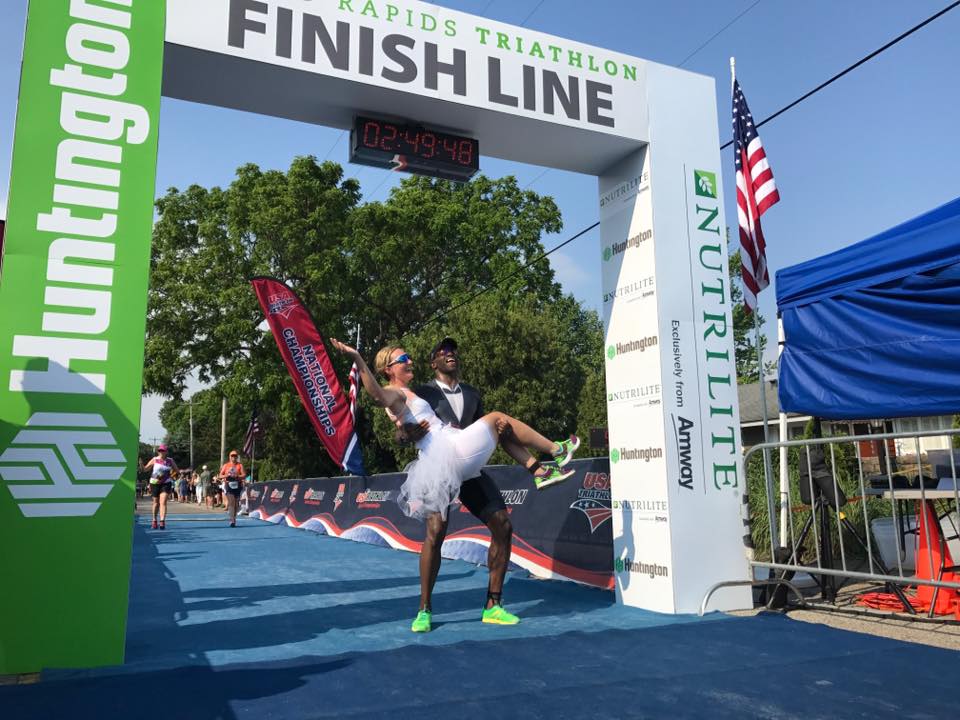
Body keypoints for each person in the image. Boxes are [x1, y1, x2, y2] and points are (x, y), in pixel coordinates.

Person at [329, 338, 580, 633]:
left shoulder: (468, 393)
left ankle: (493, 605)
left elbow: (475, 425)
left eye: (453, 352)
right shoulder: (411, 391)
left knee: (502, 523)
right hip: (442, 460)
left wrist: (498, 429)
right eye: (404, 358)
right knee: (435, 532)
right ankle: (424, 610)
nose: (411, 361)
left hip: (462, 456)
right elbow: (384, 404)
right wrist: (358, 359)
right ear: (389, 369)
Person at [143, 444, 178, 529]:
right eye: (160, 450)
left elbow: (177, 471)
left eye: (163, 450)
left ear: (166, 452)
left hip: (166, 483)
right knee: (156, 503)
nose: (161, 452)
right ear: (158, 452)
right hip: (154, 483)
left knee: (163, 502)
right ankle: (154, 520)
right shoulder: (155, 459)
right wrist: (141, 466)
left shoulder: (170, 460)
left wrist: (170, 475)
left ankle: (162, 521)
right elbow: (145, 469)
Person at [219, 451, 245, 527]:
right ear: (230, 457)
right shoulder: (226, 465)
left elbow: (244, 475)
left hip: (238, 485)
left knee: (236, 503)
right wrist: (227, 475)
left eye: (235, 456)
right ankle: (232, 520)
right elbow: (220, 475)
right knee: (231, 501)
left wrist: (237, 476)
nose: (233, 457)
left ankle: (234, 518)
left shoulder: (240, 465)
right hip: (228, 485)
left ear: (237, 457)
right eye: (232, 456)